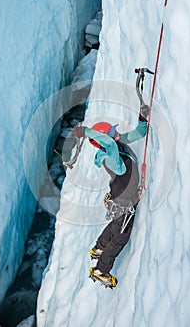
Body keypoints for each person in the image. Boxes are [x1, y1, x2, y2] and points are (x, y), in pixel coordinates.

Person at [73, 108, 148, 287]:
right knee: (120, 238)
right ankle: (101, 270)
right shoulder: (109, 157)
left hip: (119, 199)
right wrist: (87, 132)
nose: (117, 133)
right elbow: (112, 147)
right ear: (104, 140)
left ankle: (98, 248)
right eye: (112, 133)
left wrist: (142, 119)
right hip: (123, 203)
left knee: (116, 225)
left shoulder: (117, 143)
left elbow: (139, 133)